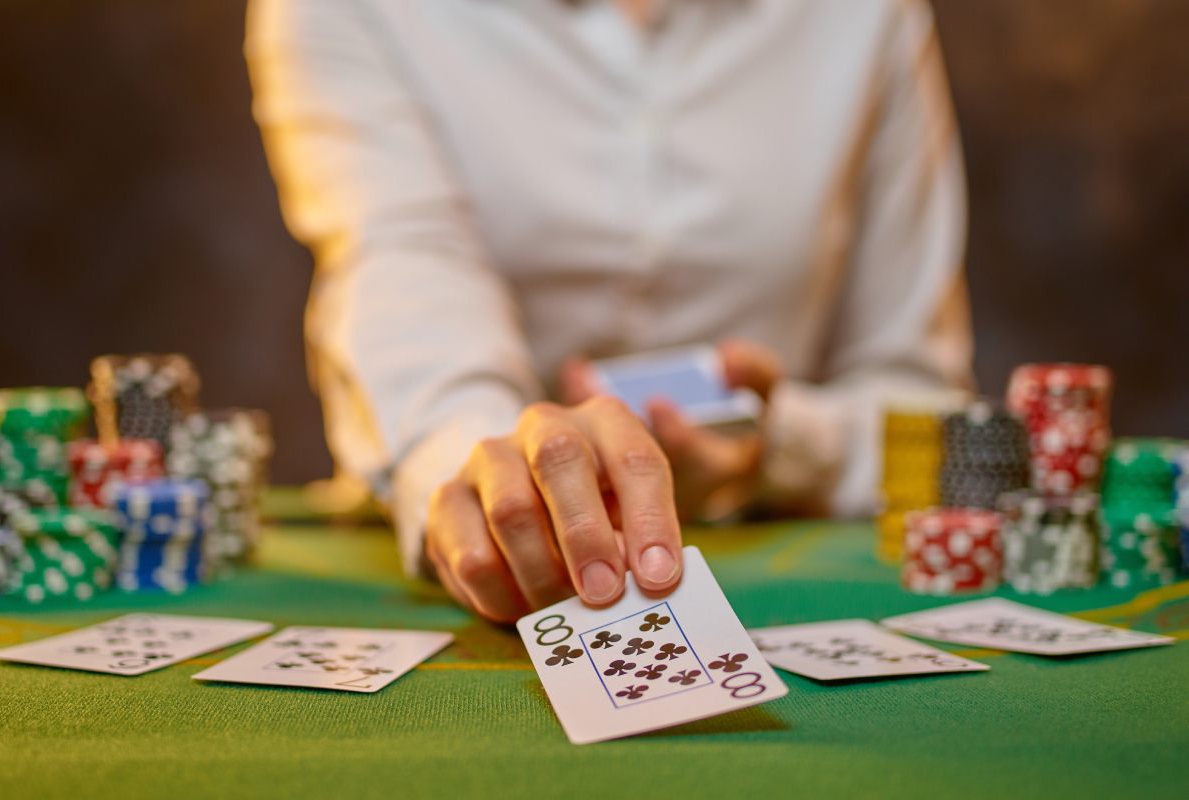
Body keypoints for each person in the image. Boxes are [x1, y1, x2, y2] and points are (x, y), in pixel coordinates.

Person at [245, 0, 973, 622]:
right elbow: (406, 268)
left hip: (792, 566)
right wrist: (483, 470)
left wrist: (779, 446)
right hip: (477, 571)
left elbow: (922, 405)